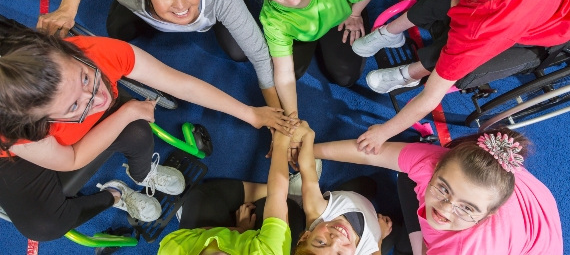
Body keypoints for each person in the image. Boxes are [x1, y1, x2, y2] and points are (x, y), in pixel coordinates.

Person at [0, 23, 294, 241]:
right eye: (75, 104)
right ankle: (116, 195)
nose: (99, 97)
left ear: (70, 52)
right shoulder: (23, 130)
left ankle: (142, 173)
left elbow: (180, 84)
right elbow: (71, 158)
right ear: (42, 122)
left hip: (60, 142)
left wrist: (249, 112)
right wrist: (126, 111)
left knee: (139, 132)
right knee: (44, 227)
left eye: (86, 77)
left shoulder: (99, 53)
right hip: (27, 157)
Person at [352, 0, 570, 153]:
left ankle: (412, 73)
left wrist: (383, 132)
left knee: (454, 52)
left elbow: (430, 97)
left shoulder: (483, 25)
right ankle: (391, 32)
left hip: (547, 23)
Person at [36, 0, 284, 111]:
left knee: (239, 50)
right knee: (117, 29)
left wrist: (277, 120)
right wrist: (68, 7)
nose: (181, 5)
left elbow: (261, 57)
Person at [311, 129, 563, 254]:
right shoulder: (436, 162)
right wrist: (308, 149)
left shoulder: (464, 249)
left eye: (466, 207)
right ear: (437, 166)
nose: (444, 208)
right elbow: (369, 154)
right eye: (443, 189)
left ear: (487, 215)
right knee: (405, 180)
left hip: (536, 241)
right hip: (530, 203)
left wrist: (376, 245)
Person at [244, 0, 380, 120]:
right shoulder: (272, 17)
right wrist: (293, 119)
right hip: (303, 34)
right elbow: (284, 73)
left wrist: (355, 13)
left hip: (338, 19)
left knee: (346, 77)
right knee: (289, 74)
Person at [158, 121, 297, 254]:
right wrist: (281, 142)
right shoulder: (271, 252)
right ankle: (293, 191)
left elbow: (204, 232)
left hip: (214, 238)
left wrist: (239, 230)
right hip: (258, 245)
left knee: (198, 196)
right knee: (290, 209)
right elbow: (277, 195)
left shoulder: (173, 250)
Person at [291, 121, 393, 255]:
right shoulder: (366, 250)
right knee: (395, 231)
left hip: (349, 196)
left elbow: (308, 169)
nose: (336, 240)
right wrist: (379, 236)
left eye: (321, 242)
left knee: (368, 184)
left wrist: (308, 135)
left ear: (306, 236)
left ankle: (293, 192)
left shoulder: (317, 211)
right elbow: (377, 247)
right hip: (368, 213)